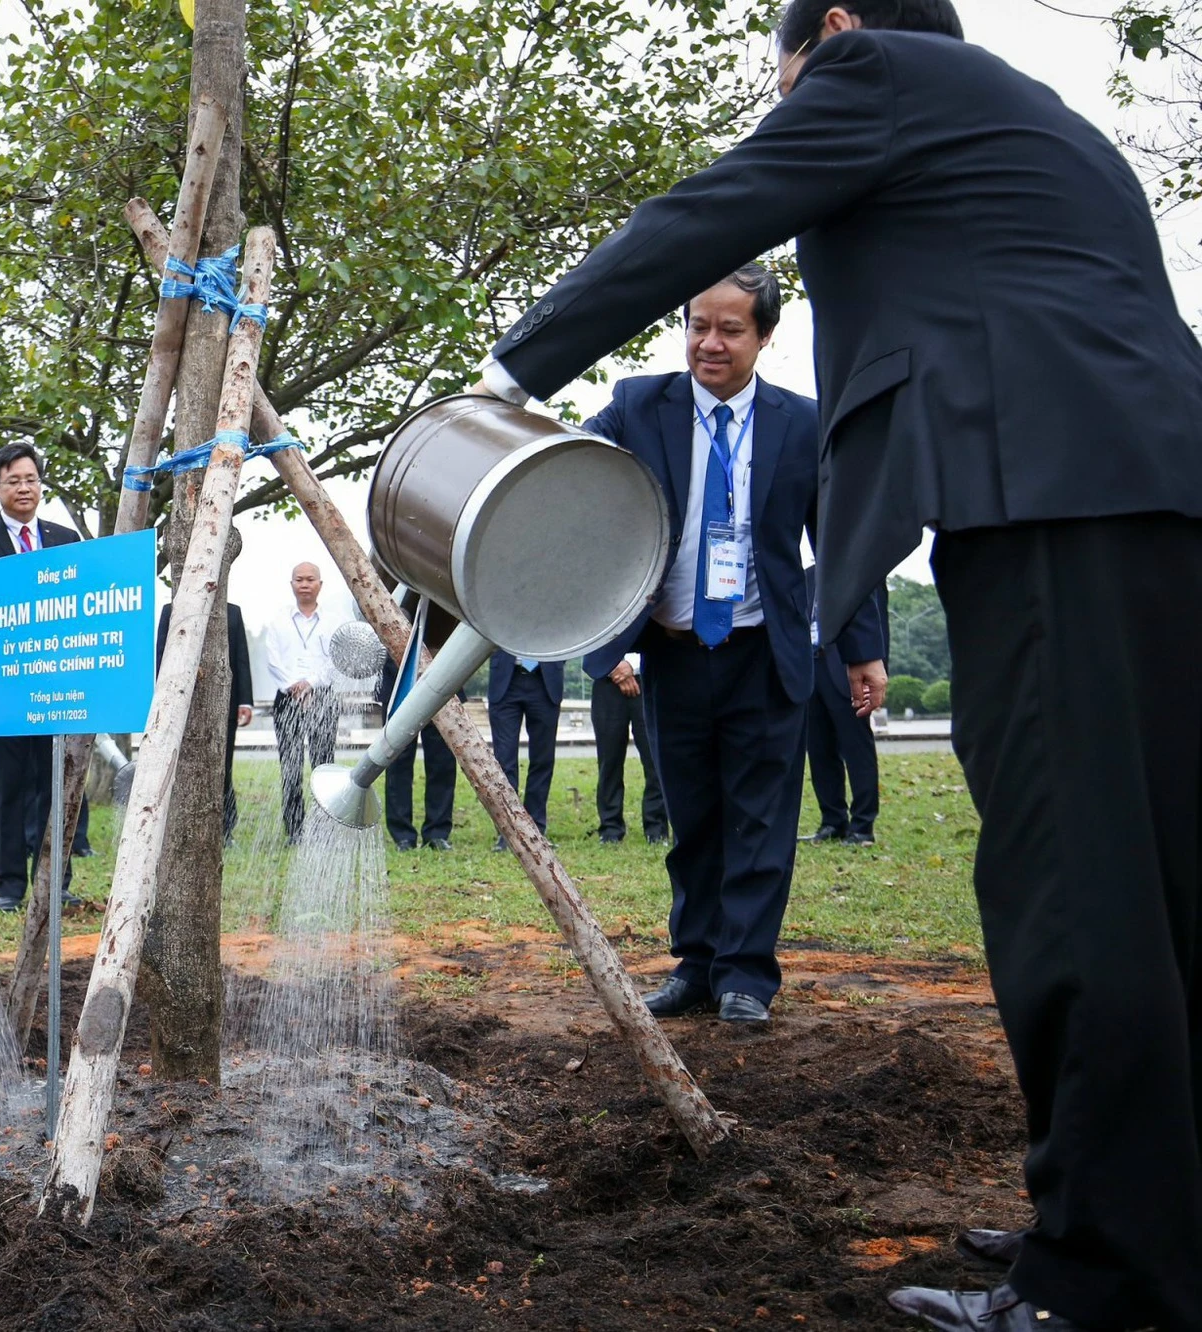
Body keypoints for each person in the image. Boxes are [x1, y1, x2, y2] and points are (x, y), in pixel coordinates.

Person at [475, 1, 1202, 1324]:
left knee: (1074, 888)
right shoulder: (1034, 118)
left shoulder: (873, 69)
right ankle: (1133, 1219)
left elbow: (705, 213)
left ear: (839, 24)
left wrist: (502, 374)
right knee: (1157, 880)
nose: (789, 98)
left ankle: (1100, 1284)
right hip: (1143, 496)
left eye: (782, 71)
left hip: (1049, 501)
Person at [571, 265, 883, 1028]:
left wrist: (861, 647)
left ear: (765, 336)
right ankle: (696, 964)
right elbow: (571, 475)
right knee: (695, 818)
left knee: (760, 820)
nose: (710, 344)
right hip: (673, 652)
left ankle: (748, 973)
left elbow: (841, 541)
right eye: (698, 326)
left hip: (764, 651)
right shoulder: (639, 405)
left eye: (730, 329)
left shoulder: (802, 423)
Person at [0, 442, 86, 911]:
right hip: (2, 683)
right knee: (7, 786)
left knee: (56, 782)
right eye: (13, 481)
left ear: (40, 485)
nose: (24, 488)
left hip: (57, 683)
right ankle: (7, 886)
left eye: (30, 479)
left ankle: (56, 881)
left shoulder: (67, 539)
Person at [157, 600, 255, 844]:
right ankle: (184, 823)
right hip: (183, 704)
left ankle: (225, 828)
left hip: (225, 703)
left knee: (223, 768)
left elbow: (241, 657)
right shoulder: (172, 610)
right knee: (185, 766)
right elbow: (161, 656)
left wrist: (245, 701)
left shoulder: (233, 611)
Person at [803, 568, 886, 845]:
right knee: (819, 749)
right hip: (812, 668)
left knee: (856, 748)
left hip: (846, 669)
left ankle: (863, 825)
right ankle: (832, 820)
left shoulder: (857, 574)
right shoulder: (806, 576)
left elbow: (878, 626)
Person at [265, 563, 339, 845]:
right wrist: (293, 686)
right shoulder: (279, 620)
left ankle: (324, 829)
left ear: (320, 584)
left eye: (310, 580)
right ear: (292, 584)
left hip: (322, 697)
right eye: (299, 580)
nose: (304, 584)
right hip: (287, 698)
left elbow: (336, 660)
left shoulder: (332, 620)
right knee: (291, 767)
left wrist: (310, 683)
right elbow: (273, 660)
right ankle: (294, 830)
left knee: (323, 765)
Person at [378, 653, 457, 851]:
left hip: (444, 676)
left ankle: (437, 833)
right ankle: (402, 836)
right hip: (399, 680)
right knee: (398, 762)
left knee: (442, 763)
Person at [486, 650, 564, 849]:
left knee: (543, 760)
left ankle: (536, 830)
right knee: (504, 762)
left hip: (545, 680)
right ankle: (509, 831)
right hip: (506, 679)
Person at [589, 652, 666, 845]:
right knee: (609, 761)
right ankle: (610, 830)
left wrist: (630, 667)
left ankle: (656, 829)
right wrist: (615, 664)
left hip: (649, 678)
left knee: (655, 761)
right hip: (607, 680)